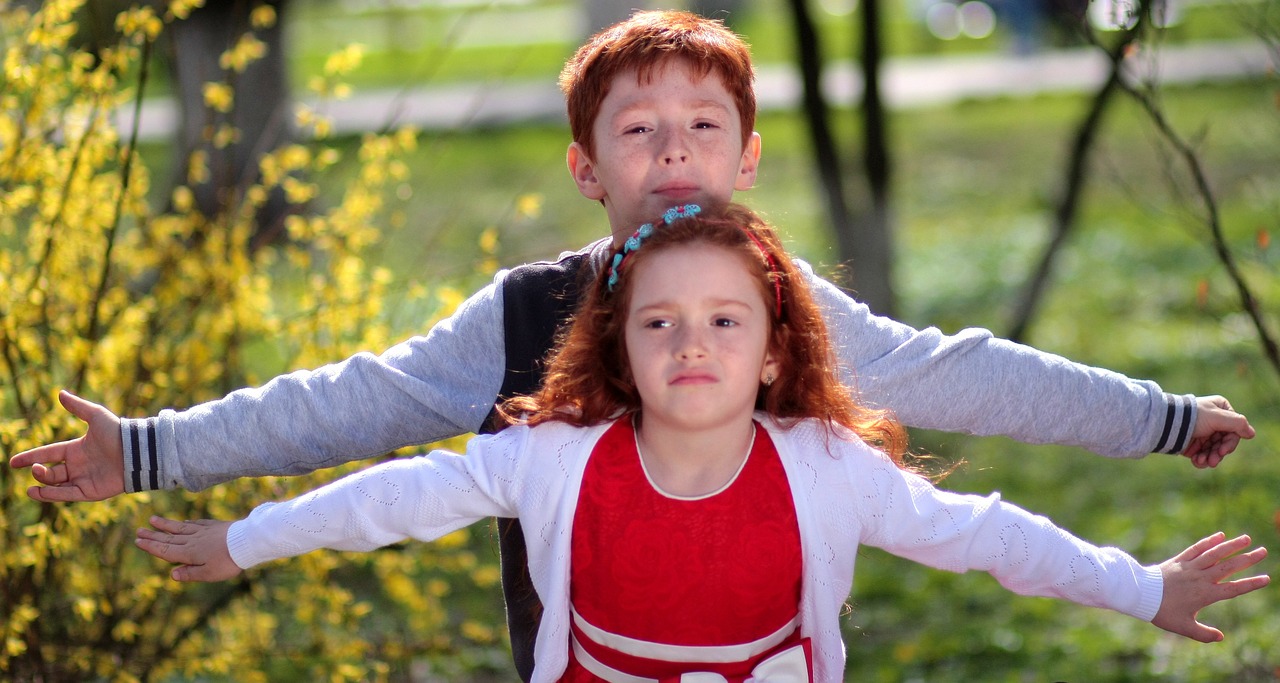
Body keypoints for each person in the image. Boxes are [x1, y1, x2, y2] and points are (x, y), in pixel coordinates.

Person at [8, 9, 1256, 680]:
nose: (671, 151)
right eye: (637, 129)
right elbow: (359, 406)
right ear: (584, 168)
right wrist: (159, 450)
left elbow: (961, 374)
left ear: (744, 159)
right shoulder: (518, 316)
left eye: (702, 126)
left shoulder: (786, 309)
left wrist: (1152, 412)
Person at [131, 205, 1269, 683]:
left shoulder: (825, 469)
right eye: (659, 323)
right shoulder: (548, 459)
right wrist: (242, 538)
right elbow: (389, 497)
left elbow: (985, 536)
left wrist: (1143, 587)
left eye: (726, 321)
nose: (692, 343)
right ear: (618, 353)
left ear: (774, 351)